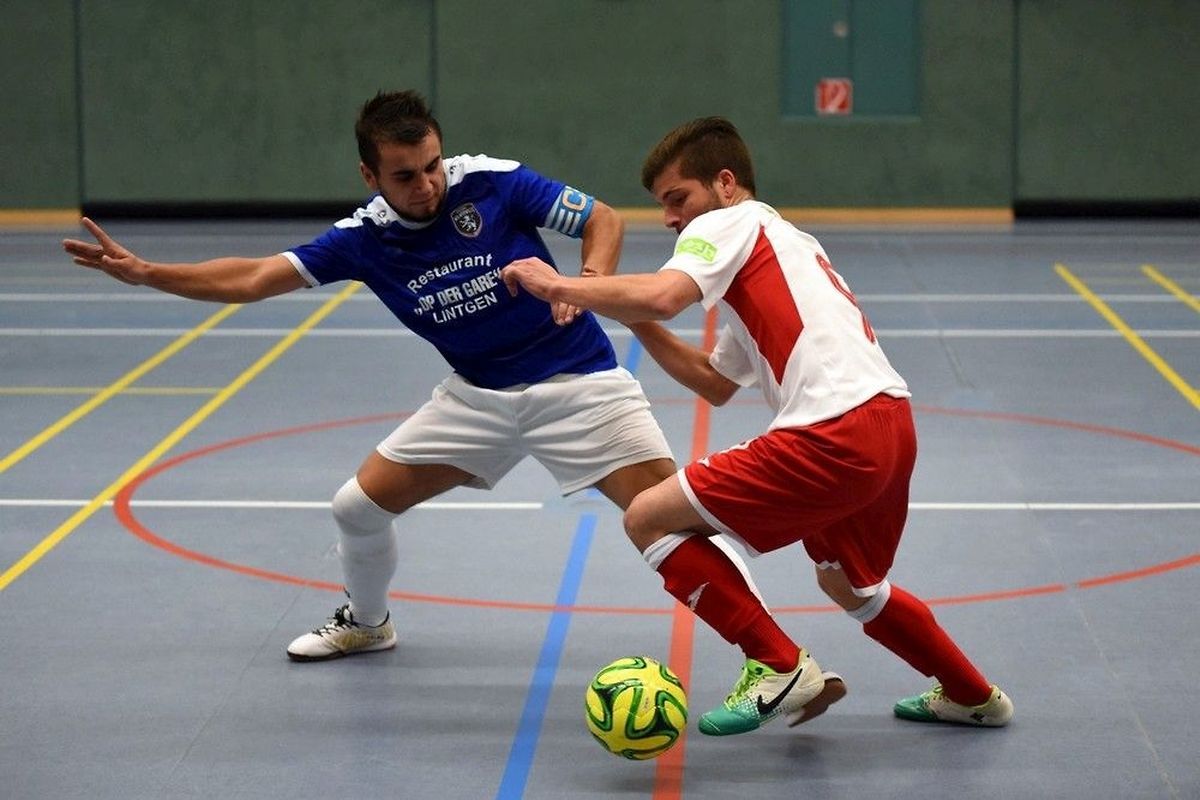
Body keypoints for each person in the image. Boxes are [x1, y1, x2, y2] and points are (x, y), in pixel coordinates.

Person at [62, 91, 766, 663]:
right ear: (370, 176)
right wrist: (149, 273)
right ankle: (369, 623)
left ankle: (778, 661)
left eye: (431, 164)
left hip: (579, 383)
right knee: (355, 508)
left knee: (669, 521)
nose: (427, 184)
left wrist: (582, 282)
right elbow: (252, 277)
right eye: (405, 174)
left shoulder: (492, 181)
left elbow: (601, 218)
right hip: (477, 397)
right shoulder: (362, 239)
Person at [500, 116, 1013, 736]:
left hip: (835, 428)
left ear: (725, 184)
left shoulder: (729, 222)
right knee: (852, 586)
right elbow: (713, 382)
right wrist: (633, 320)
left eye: (676, 199)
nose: (670, 218)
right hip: (890, 424)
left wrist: (558, 284)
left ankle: (779, 666)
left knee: (646, 516)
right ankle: (971, 693)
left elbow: (665, 294)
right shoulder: (782, 245)